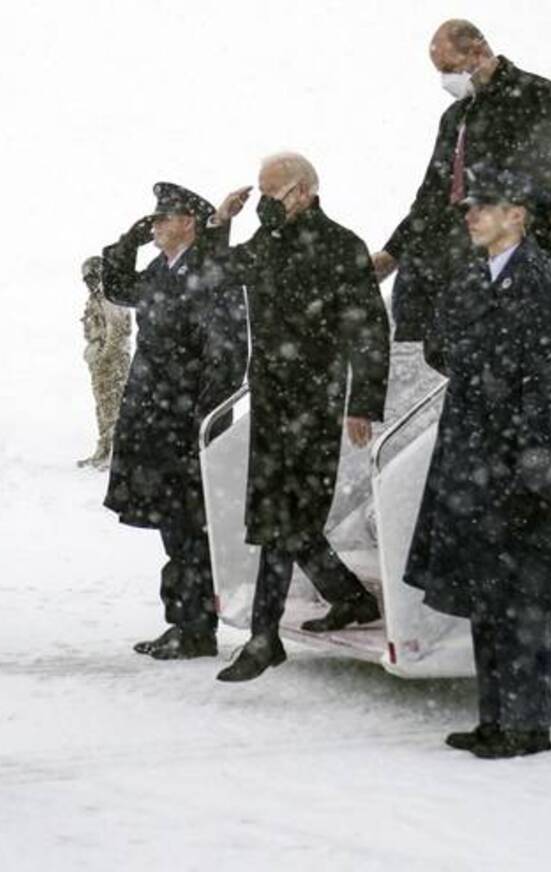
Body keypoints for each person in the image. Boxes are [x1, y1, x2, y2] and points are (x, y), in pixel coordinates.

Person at [403, 168, 551, 758]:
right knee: (487, 594)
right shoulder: (470, 278)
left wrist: (536, 456)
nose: (471, 216)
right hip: (471, 454)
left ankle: (528, 726)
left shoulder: (544, 285)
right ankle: (493, 719)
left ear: (518, 216)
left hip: (518, 461)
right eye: (470, 208)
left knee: (525, 600)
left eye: (484, 208)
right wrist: (476, 365)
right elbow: (438, 343)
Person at [211, 153, 391, 683]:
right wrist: (223, 222)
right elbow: (220, 274)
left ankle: (264, 638)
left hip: (317, 399)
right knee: (282, 517)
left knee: (287, 518)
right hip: (270, 397)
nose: (267, 203)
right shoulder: (266, 243)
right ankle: (351, 598)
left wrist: (362, 402)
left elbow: (368, 329)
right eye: (262, 194)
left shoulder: (341, 245)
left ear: (306, 191)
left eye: (276, 193)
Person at [371, 19, 551, 366]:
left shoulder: (535, 93)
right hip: (469, 252)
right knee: (442, 342)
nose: (446, 80)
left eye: (449, 69)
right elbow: (432, 196)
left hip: (526, 237)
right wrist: (391, 253)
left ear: (477, 50)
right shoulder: (455, 119)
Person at [101, 182, 248, 661]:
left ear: (188, 222)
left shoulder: (208, 272)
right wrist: (130, 237)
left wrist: (203, 419)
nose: (156, 225)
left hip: (185, 419)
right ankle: (181, 623)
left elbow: (226, 354)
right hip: (153, 414)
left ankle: (195, 627)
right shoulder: (161, 271)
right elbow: (116, 285)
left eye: (163, 218)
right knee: (173, 527)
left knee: (190, 530)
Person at [78, 255, 132, 470]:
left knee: (114, 406)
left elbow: (117, 331)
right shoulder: (96, 298)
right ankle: (103, 450)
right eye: (86, 279)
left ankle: (115, 454)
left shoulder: (111, 296)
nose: (89, 283)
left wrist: (104, 357)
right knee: (103, 407)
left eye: (92, 277)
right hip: (101, 359)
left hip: (113, 360)